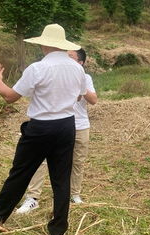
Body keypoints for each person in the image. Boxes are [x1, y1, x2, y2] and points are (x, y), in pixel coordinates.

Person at [0, 24, 87, 235]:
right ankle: (58, 230)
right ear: (62, 45)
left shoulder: (37, 68)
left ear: (45, 44)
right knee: (61, 177)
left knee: (21, 172)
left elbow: (10, 96)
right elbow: (78, 97)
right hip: (66, 125)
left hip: (41, 127)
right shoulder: (78, 68)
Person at [16, 48, 97, 214]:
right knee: (41, 161)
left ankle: (74, 194)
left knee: (77, 161)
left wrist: (78, 81)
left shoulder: (84, 76)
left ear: (81, 63)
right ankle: (32, 197)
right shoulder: (52, 72)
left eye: (71, 57)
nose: (66, 59)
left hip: (80, 125)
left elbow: (93, 99)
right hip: (56, 126)